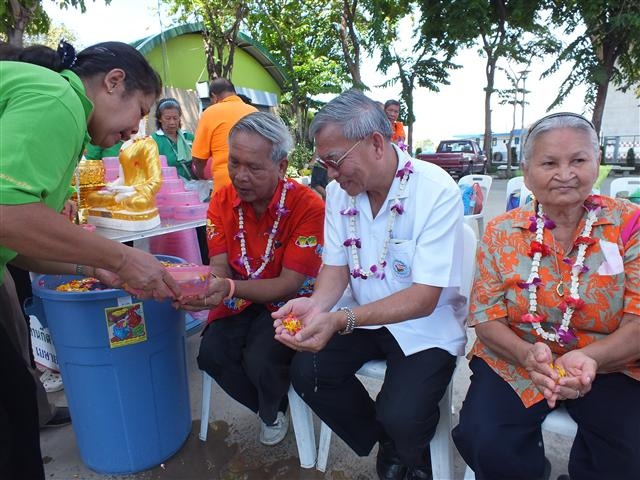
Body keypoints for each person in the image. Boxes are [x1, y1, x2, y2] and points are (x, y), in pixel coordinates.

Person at [0, 40, 180, 479]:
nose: (137, 131)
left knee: (17, 405)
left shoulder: (67, 119)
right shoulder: (58, 99)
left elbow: (19, 241)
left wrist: (90, 268)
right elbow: (6, 214)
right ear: (113, 82)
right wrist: (120, 259)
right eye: (139, 111)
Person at [273, 89, 467, 480]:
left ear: (376, 143)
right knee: (306, 372)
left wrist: (340, 319)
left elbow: (424, 297)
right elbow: (336, 268)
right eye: (323, 162)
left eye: (334, 160)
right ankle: (388, 441)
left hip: (423, 326)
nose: (330, 173)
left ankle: (406, 447)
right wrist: (315, 308)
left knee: (404, 413)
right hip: (359, 316)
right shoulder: (338, 193)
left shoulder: (435, 190)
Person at [452, 112, 640, 480]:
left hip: (610, 362)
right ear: (526, 171)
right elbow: (487, 319)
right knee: (484, 438)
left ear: (597, 162)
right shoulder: (501, 231)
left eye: (579, 160)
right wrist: (527, 354)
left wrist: (588, 358)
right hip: (518, 358)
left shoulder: (630, 225)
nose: (566, 173)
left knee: (629, 452)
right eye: (550, 162)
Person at [178, 112, 325, 446]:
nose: (240, 176)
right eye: (234, 163)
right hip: (238, 300)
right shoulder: (222, 199)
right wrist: (204, 288)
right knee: (211, 355)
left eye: (254, 167)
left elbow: (289, 283)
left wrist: (227, 286)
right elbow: (219, 265)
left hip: (290, 304)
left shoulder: (308, 206)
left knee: (261, 360)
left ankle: (273, 407)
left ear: (282, 167)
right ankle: (272, 407)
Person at [191, 78, 257, 188]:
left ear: (214, 97)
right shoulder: (254, 112)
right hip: (254, 183)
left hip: (226, 184)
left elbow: (198, 158)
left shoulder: (210, 113)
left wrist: (200, 174)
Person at [151, 97, 195, 180]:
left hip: (194, 186)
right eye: (167, 118)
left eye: (175, 118)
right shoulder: (153, 141)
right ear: (160, 119)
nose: (172, 122)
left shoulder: (188, 137)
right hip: (169, 188)